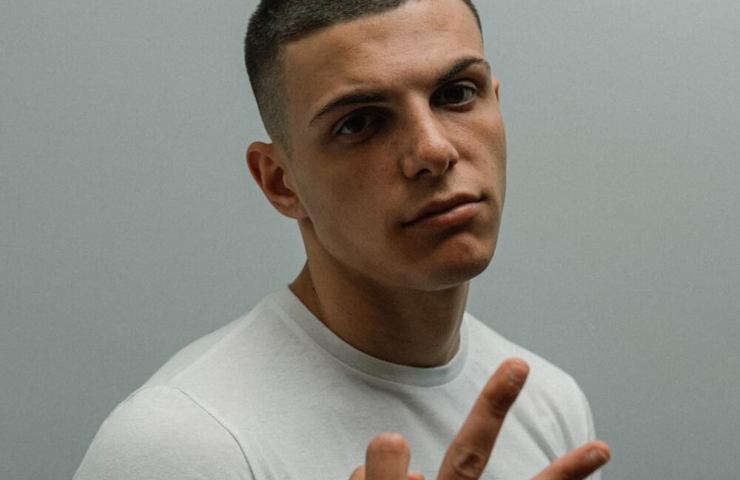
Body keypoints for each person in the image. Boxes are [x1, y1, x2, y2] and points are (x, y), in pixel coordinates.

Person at [74, 0, 611, 478]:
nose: (432, 150)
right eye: (359, 123)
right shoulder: (180, 445)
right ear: (280, 182)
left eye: (456, 94)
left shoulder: (548, 403)